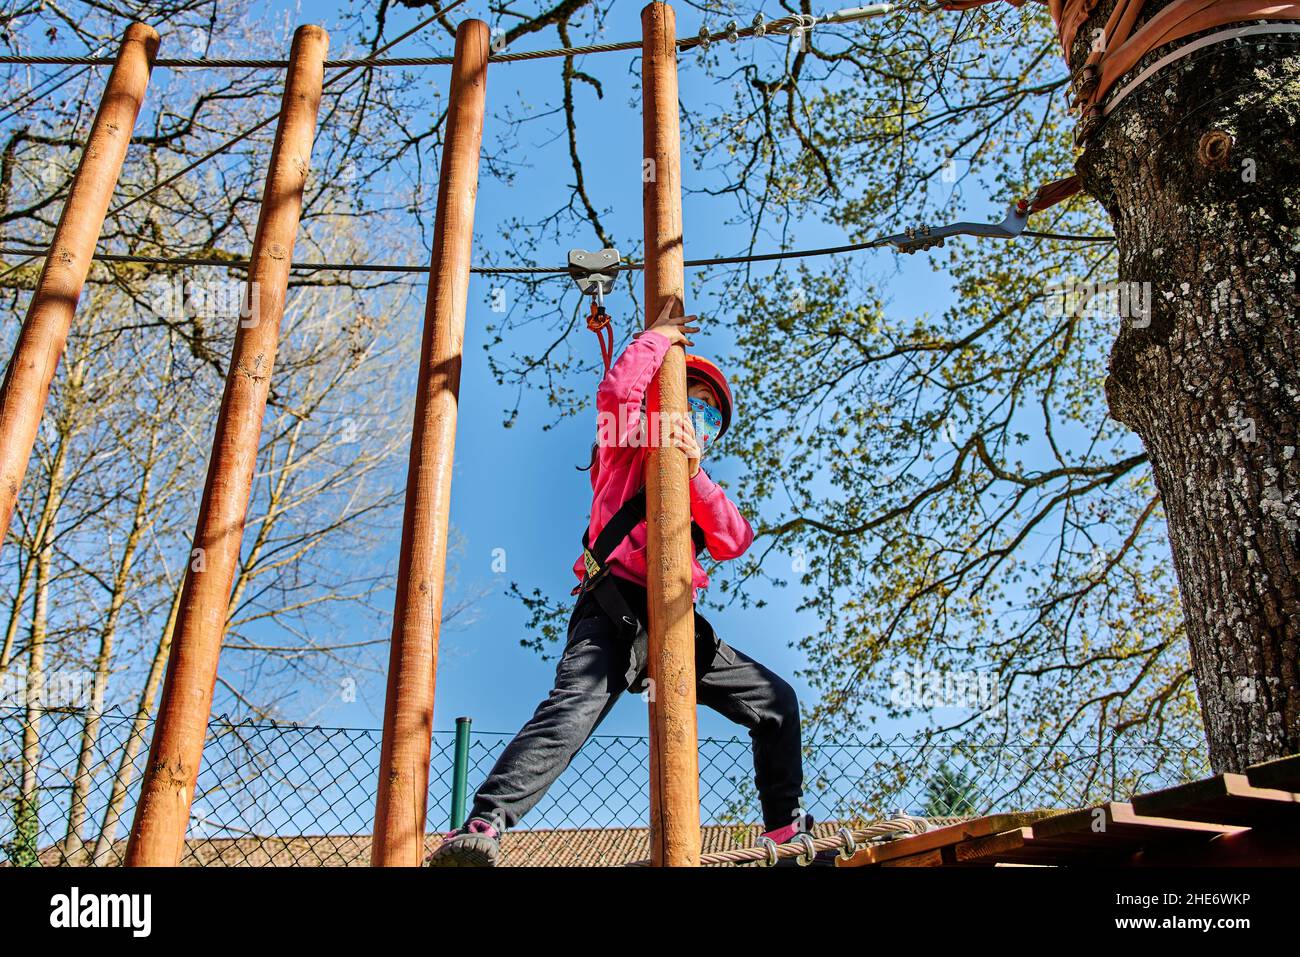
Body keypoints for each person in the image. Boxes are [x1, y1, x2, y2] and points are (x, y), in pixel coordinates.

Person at [428, 300, 807, 866]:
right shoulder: (626, 447)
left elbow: (734, 539)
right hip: (614, 608)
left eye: (709, 413)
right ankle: (484, 822)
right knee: (572, 710)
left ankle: (783, 829)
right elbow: (615, 397)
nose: (695, 416)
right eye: (689, 402)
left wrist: (693, 471)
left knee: (777, 701)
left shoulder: (700, 486)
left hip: (676, 623)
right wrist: (655, 339)